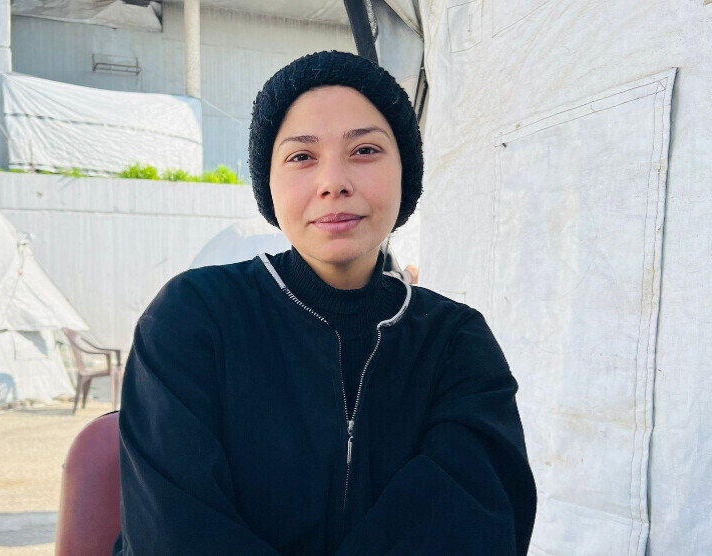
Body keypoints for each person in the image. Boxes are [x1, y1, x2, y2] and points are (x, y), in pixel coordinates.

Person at [114, 51, 536, 555]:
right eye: (301, 156)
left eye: (365, 150)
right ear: (268, 184)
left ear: (406, 172)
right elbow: (173, 532)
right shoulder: (192, 317)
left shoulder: (455, 341)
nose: (334, 182)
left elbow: (476, 523)